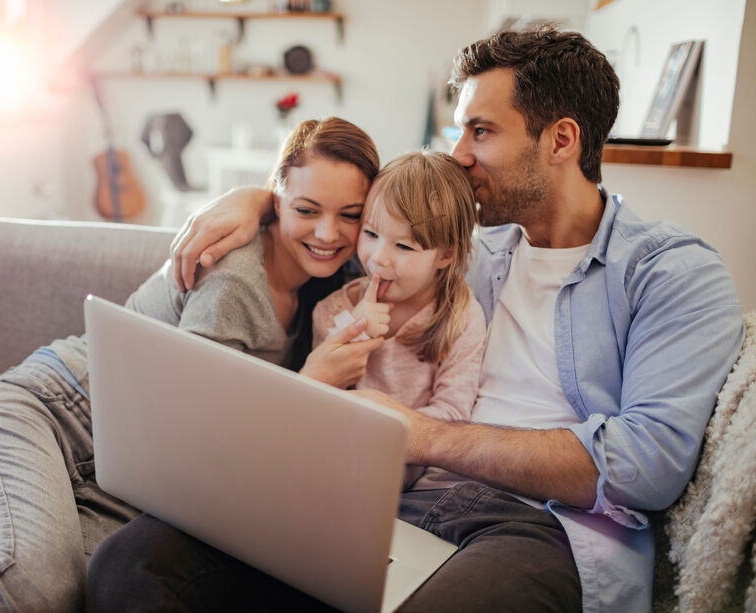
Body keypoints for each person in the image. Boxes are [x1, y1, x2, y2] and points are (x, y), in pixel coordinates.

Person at [88, 27, 744, 612]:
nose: (458, 153)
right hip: (378, 492)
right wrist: (261, 199)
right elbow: (350, 234)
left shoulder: (670, 274)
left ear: (561, 141)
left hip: (533, 526)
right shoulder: (464, 251)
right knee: (133, 563)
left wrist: (424, 436)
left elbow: (647, 465)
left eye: (480, 131)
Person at [0, 117, 382, 612]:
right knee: (34, 590)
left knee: (83, 592)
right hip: (44, 413)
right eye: (306, 210)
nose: (329, 233)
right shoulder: (234, 278)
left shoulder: (336, 281)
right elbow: (197, 439)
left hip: (117, 480)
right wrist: (311, 387)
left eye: (350, 215)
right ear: (277, 196)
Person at [309, 151, 485, 489]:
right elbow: (318, 405)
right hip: (336, 470)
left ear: (446, 254)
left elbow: (452, 417)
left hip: (412, 483)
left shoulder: (461, 318)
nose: (378, 259)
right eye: (371, 234)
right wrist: (354, 332)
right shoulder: (332, 311)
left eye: (404, 246)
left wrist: (382, 435)